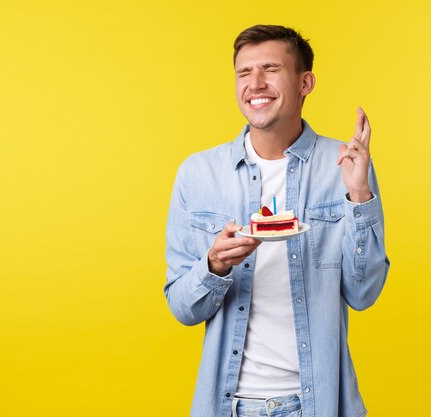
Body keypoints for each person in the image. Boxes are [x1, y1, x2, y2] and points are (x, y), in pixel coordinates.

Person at [164, 24, 390, 417]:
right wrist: (214, 266)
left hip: (317, 403)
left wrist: (358, 195)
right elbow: (183, 308)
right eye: (244, 73)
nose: (255, 83)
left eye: (270, 69)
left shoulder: (346, 166)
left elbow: (364, 294)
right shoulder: (197, 174)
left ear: (305, 82)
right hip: (227, 406)